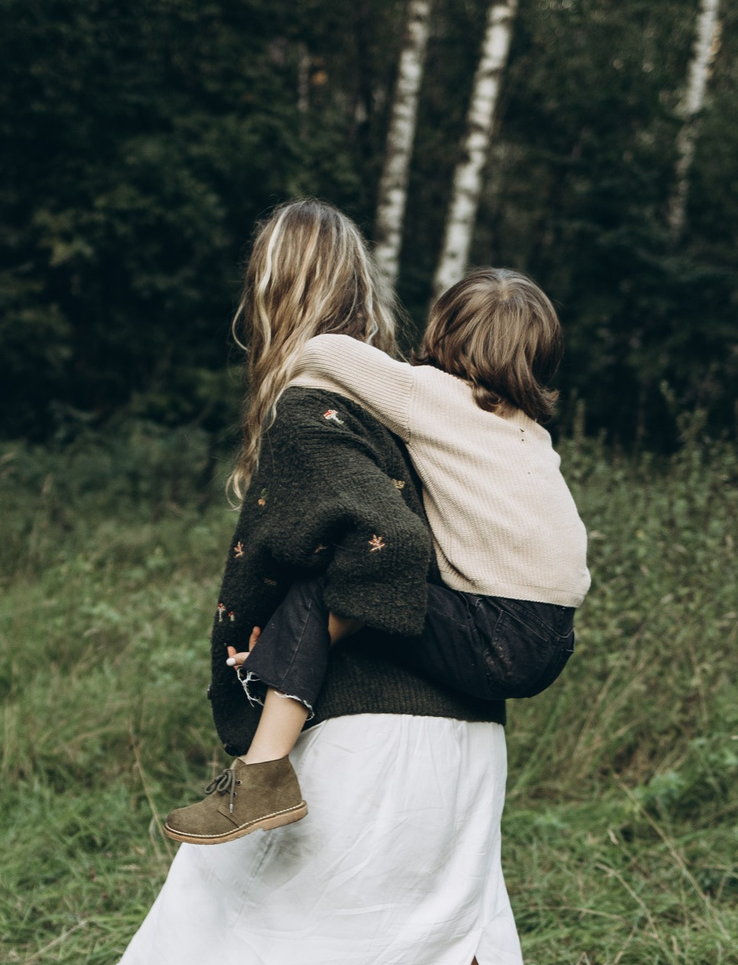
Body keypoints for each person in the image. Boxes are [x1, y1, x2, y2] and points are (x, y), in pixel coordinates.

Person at [0, 198, 560, 965]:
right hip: (464, 734)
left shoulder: (320, 404)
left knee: (231, 869)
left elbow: (384, 547)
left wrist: (300, 621)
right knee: (454, 955)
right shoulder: (428, 403)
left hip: (384, 731)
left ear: (272, 291)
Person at [161, 267, 590, 845]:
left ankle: (260, 779)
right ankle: (282, 665)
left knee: (334, 589)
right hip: (550, 638)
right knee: (363, 606)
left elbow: (326, 352)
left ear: (444, 332)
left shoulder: (430, 396)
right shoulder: (528, 432)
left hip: (493, 627)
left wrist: (288, 340)